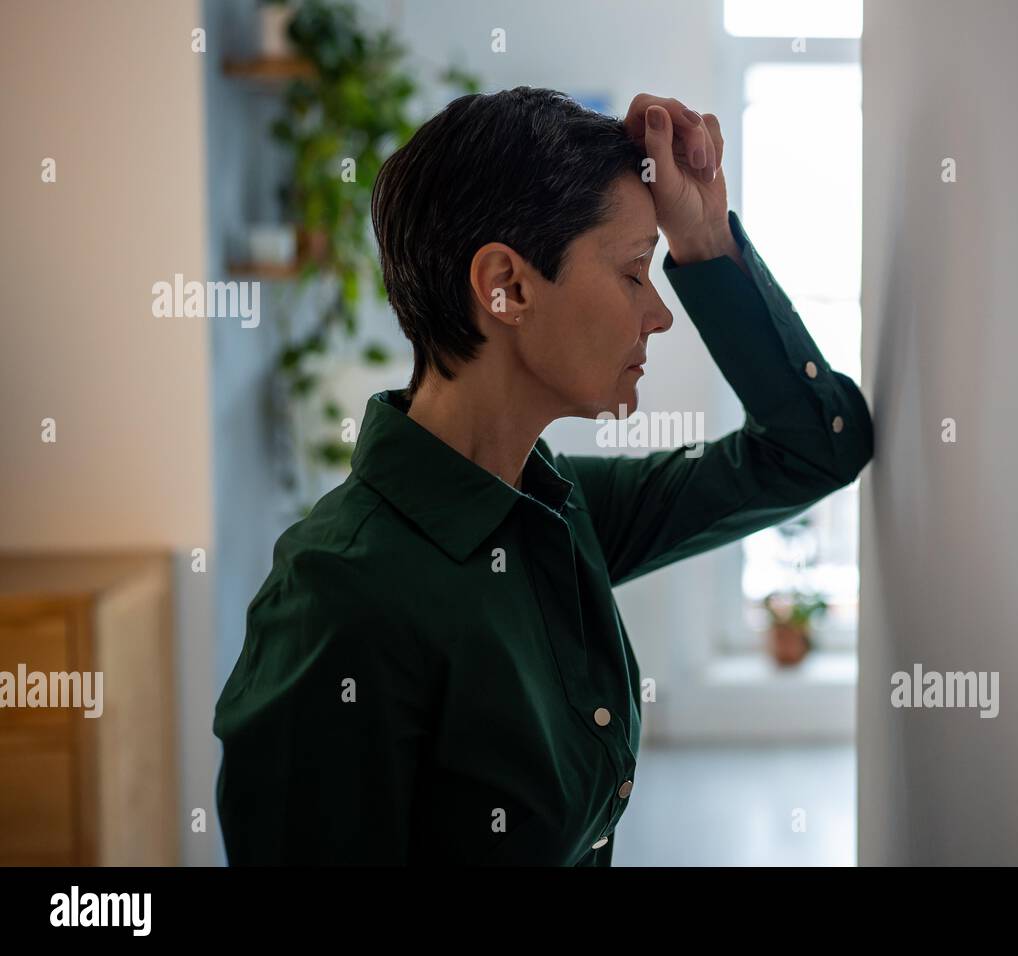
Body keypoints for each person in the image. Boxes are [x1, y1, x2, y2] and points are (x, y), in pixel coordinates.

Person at [213, 87, 873, 865]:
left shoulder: (556, 513)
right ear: (507, 287)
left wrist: (704, 240)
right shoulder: (336, 597)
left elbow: (813, 447)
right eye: (635, 272)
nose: (659, 313)